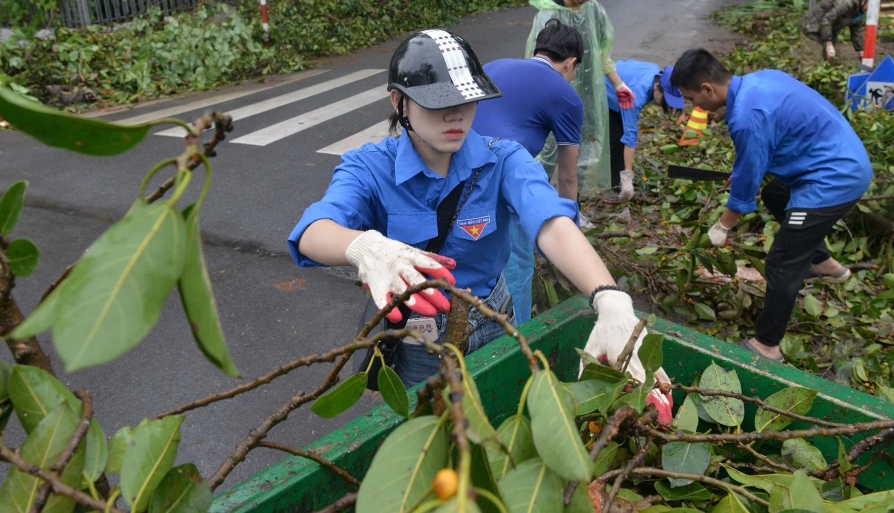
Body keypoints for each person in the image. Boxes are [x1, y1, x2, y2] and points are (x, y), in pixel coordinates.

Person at [288, 29, 672, 421]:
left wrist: (608, 297)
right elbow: (314, 230)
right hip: (420, 339)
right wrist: (364, 247)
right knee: (429, 429)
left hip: (493, 319)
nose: (456, 115)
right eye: (440, 102)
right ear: (399, 102)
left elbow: (550, 221)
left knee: (501, 419)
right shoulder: (370, 167)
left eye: (468, 99)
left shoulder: (504, 159)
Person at [669, 49, 873, 361]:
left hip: (834, 178)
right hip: (840, 157)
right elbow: (765, 137)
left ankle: (767, 345)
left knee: (782, 261)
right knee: (775, 196)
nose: (693, 106)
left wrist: (722, 226)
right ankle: (825, 265)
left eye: (692, 98)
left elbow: (747, 183)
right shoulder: (759, 80)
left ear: (708, 89)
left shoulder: (748, 118)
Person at [473, 19, 586, 324]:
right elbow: (567, 175)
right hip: (496, 185)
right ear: (571, 63)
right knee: (516, 267)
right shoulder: (566, 95)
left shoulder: (494, 66)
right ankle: (515, 347)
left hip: (453, 173)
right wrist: (569, 229)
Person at [525, 0, 635, 204]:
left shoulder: (593, 10)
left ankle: (573, 207)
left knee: (583, 152)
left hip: (586, 93)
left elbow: (602, 52)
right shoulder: (548, 14)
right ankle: (534, 204)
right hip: (552, 93)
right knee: (548, 152)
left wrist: (619, 83)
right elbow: (536, 62)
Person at [601, 62, 687, 202]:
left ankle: (617, 181)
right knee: (617, 138)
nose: (666, 104)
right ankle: (615, 186)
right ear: (656, 87)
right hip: (603, 89)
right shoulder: (637, 94)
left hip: (620, 89)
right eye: (665, 99)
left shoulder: (657, 74)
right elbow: (630, 136)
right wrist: (628, 176)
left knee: (619, 135)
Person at [798, 0, 869, 62]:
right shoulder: (845, 3)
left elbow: (856, 31)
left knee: (836, 61)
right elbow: (826, 20)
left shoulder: (859, 11)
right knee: (812, 61)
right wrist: (829, 44)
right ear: (864, 0)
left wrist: (861, 50)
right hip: (812, 28)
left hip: (829, 32)